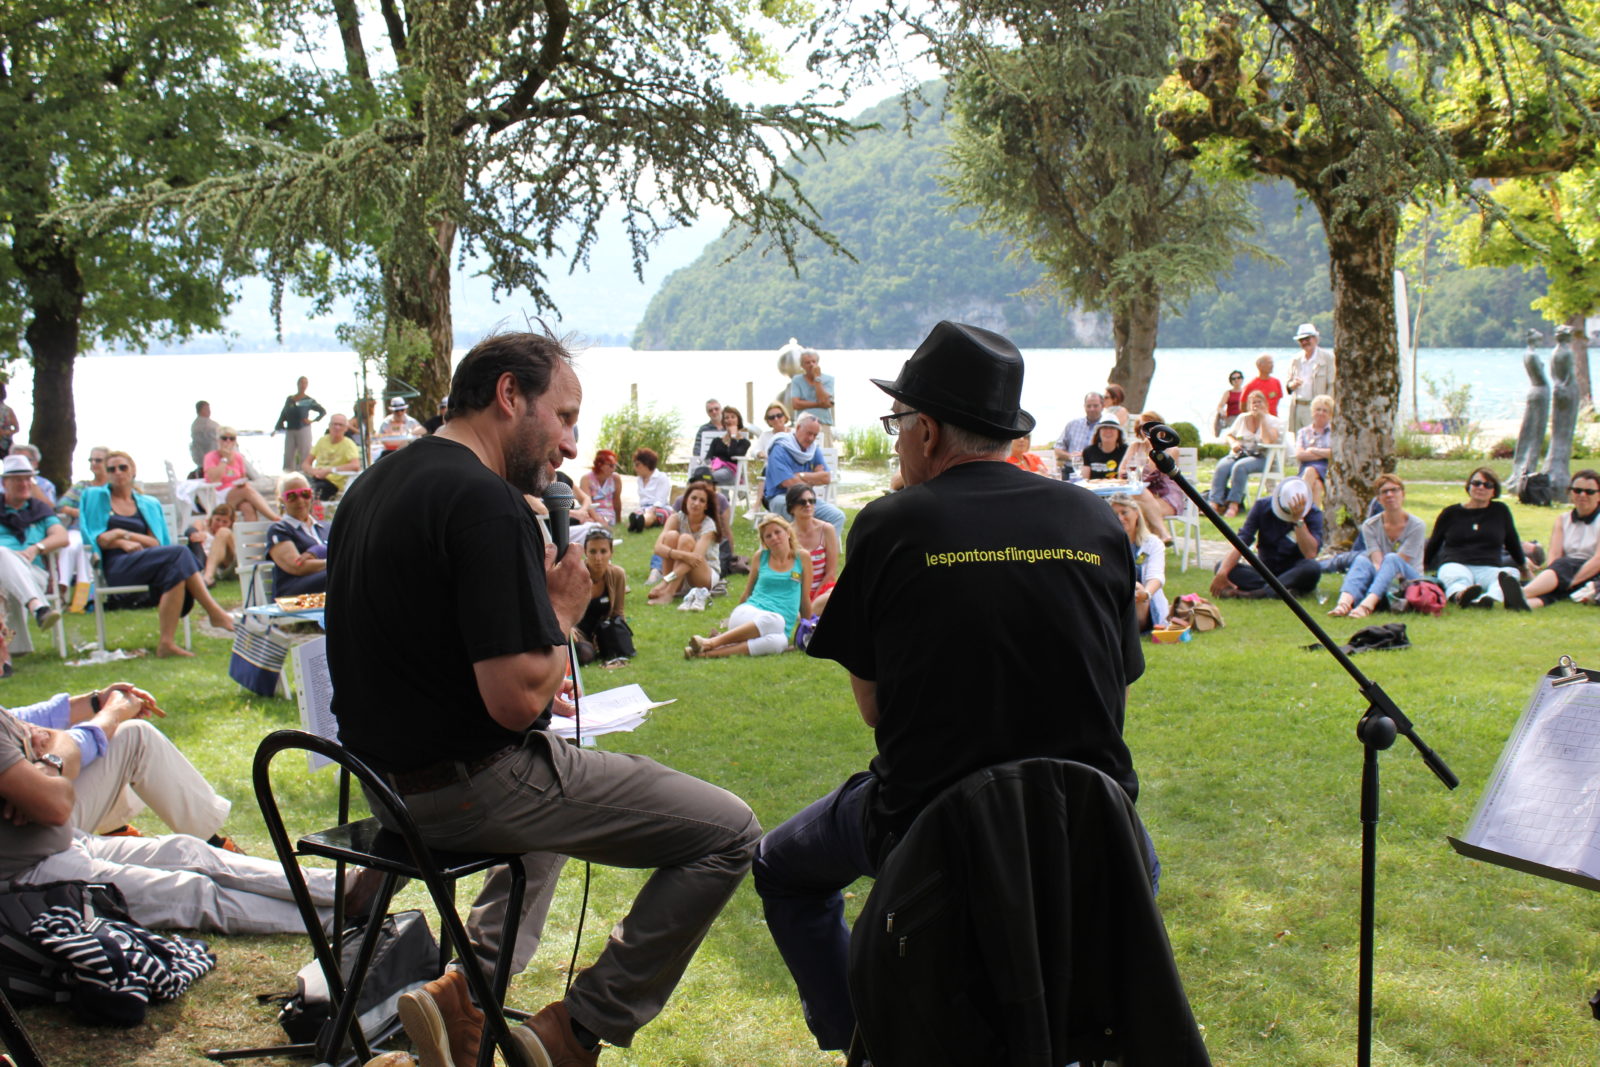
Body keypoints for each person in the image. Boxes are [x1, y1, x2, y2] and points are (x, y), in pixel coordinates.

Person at [325, 330, 760, 1067]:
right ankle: (575, 1029)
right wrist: (561, 612)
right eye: (561, 416)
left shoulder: (372, 486)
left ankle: (466, 994)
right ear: (507, 396)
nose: (568, 441)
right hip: (471, 788)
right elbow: (515, 702)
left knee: (560, 793)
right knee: (732, 831)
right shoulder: (484, 502)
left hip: (385, 787)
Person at [753, 322, 1149, 1054]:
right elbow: (1115, 686)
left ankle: (862, 1035)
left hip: (932, 826)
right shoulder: (1094, 518)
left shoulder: (891, 523)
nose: (897, 440)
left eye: (897, 424)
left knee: (781, 865)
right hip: (1096, 832)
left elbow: (876, 708)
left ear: (927, 430)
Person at [0, 682, 351, 934]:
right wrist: (49, 769)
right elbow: (57, 803)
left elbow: (49, 733)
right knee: (191, 892)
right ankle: (339, 920)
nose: (6, 644)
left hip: (62, 841)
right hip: (26, 875)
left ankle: (344, 889)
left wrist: (47, 762)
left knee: (190, 851)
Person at [79, 451, 235, 658]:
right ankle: (215, 613)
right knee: (179, 553)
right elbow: (98, 537)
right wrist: (120, 542)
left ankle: (166, 644)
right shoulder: (96, 497)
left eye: (122, 467)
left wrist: (123, 533)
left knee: (176, 570)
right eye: (111, 469)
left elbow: (155, 542)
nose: (117, 472)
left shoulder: (148, 503)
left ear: (133, 470)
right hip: (117, 566)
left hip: (146, 562)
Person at [685, 513, 812, 659]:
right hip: (750, 613)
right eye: (768, 536)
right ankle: (712, 642)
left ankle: (704, 654)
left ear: (788, 532)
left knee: (780, 643)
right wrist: (731, 618)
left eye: (778, 532)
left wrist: (806, 629)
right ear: (764, 541)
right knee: (776, 620)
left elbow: (804, 598)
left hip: (779, 628)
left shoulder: (802, 557)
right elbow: (747, 592)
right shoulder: (761, 557)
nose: (774, 538)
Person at [1327, 474, 1426, 618]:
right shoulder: (1370, 525)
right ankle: (1343, 604)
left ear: (1403, 494)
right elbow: (1377, 562)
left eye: (1394, 490)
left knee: (1392, 559)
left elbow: (1401, 564)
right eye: (1384, 492)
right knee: (1361, 559)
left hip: (1409, 581)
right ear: (1378, 499)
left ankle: (1366, 606)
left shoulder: (1417, 525)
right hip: (1383, 578)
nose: (1390, 494)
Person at [1424, 467, 1526, 608]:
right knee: (1458, 580)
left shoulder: (1500, 511)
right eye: (1476, 483)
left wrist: (1523, 566)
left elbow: (1512, 541)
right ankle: (1461, 596)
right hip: (1456, 563)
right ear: (1469, 486)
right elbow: (1434, 542)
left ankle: (1486, 599)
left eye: (1487, 485)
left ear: (1494, 491)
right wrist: (1422, 565)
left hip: (1488, 567)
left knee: (1510, 574)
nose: (1481, 488)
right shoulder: (1451, 513)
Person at [1501, 468, 1600, 610]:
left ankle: (1522, 594)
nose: (1582, 495)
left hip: (1591, 572)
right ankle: (1523, 604)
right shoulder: (1563, 520)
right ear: (1571, 493)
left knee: (1564, 567)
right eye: (1577, 490)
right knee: (1560, 571)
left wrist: (1571, 582)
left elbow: (1598, 560)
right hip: (1564, 570)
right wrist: (1556, 576)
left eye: (1589, 491)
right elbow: (1554, 555)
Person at [1210, 476, 1323, 597]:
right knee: (1223, 566)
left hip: (1294, 572)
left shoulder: (1314, 514)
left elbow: (1310, 553)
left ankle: (1257, 594)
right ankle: (1283, 591)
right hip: (1265, 571)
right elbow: (1242, 541)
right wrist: (1222, 572)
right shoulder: (1262, 506)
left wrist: (1298, 521)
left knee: (1312, 568)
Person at [0, 455, 67, 652]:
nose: (24, 483)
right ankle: (38, 608)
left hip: (32, 572)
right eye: (18, 479)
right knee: (2, 555)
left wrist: (36, 548)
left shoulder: (40, 510)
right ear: (5, 483)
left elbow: (61, 536)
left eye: (28, 479)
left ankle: (5, 657)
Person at [763, 413, 846, 536]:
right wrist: (814, 477)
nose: (811, 438)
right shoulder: (780, 448)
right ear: (797, 428)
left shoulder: (813, 449)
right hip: (780, 497)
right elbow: (788, 482)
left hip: (806, 498)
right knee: (800, 513)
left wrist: (801, 475)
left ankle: (822, 551)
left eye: (815, 435)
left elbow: (826, 477)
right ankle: (799, 553)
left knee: (837, 516)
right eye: (809, 433)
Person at [646, 480, 721, 609]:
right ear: (686, 500)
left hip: (703, 575)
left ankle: (669, 592)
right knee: (671, 536)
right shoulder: (676, 518)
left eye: (702, 501)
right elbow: (658, 548)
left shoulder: (709, 526)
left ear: (706, 506)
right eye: (693, 498)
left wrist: (665, 581)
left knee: (686, 539)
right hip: (680, 572)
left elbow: (695, 560)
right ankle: (672, 587)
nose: (696, 503)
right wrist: (680, 554)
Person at [1208, 390, 1282, 517]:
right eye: (1253, 403)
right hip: (1241, 453)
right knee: (1222, 466)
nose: (1256, 405)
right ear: (1248, 405)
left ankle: (1234, 504)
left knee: (1240, 467)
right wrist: (1234, 443)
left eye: (1259, 402)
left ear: (1266, 404)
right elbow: (1230, 435)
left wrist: (1262, 419)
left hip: (1262, 457)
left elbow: (1268, 440)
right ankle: (1214, 503)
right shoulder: (1242, 418)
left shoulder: (1273, 421)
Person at [54, 446, 108, 612]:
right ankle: (62, 591)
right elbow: (61, 505)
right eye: (91, 460)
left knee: (85, 550)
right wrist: (81, 513)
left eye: (98, 460)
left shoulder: (111, 487)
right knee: (70, 547)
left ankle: (81, 600)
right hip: (77, 529)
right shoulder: (82, 486)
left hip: (100, 532)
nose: (93, 463)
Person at [1123, 411, 1184, 544]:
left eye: (1150, 426)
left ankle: (1139, 552)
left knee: (1137, 508)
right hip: (1140, 495)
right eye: (1142, 427)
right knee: (1136, 505)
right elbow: (1121, 471)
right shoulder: (1135, 446)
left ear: (1159, 427)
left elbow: (1151, 472)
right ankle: (1161, 537)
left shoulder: (1171, 450)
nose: (1146, 431)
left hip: (1167, 496)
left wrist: (1151, 447)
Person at [574, 528, 631, 667]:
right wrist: (569, 630)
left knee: (620, 650)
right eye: (593, 551)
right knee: (584, 655)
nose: (598, 558)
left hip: (601, 631)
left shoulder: (617, 574)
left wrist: (620, 636)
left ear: (611, 552)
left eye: (603, 551)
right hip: (576, 631)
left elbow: (618, 612)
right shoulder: (574, 575)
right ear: (585, 553)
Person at [1109, 494, 1168, 631]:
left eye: (1124, 512)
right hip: (1115, 596)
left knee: (1136, 587)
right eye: (1114, 514)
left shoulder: (1152, 543)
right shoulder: (1104, 544)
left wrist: (1145, 594)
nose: (1120, 519)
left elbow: (1156, 577)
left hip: (1143, 600)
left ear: (1136, 513)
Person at [267, 474, 329, 598]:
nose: (300, 500)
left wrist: (318, 551)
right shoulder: (279, 530)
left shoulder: (326, 527)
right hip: (293, 592)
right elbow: (297, 567)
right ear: (282, 501)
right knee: (344, 572)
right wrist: (334, 562)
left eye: (305, 494)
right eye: (292, 496)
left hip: (325, 586)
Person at [203, 427, 280, 522]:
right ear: (218, 440)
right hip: (218, 494)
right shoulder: (211, 457)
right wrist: (224, 460)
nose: (228, 441)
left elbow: (242, 478)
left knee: (248, 507)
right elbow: (214, 479)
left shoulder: (238, 457)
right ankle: (275, 518)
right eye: (224, 438)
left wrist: (242, 484)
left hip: (236, 492)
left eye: (231, 439)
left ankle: (251, 535)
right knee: (247, 491)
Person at [786, 483, 840, 615]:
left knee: (831, 596)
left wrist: (814, 599)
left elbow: (831, 573)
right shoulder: (786, 533)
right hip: (796, 589)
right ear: (791, 508)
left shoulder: (826, 529)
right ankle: (808, 613)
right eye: (802, 502)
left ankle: (807, 613)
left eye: (812, 501)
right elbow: (785, 571)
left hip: (822, 589)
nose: (808, 505)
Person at [1285, 322, 1336, 436]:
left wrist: (1326, 409)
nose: (1304, 342)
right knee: (1298, 441)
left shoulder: (1328, 358)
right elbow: (1288, 384)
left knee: (1317, 439)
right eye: (1301, 340)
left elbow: (1332, 385)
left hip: (1317, 408)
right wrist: (1292, 385)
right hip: (1297, 407)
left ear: (1316, 339)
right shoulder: (1295, 360)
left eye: (1307, 339)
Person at [273, 376, 327, 472]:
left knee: (304, 453)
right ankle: (288, 473)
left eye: (305, 383)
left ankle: (304, 473)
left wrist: (313, 420)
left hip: (303, 428)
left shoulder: (308, 400)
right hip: (290, 429)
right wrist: (278, 426)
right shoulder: (290, 399)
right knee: (289, 454)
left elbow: (322, 411)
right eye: (301, 382)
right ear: (297, 384)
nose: (303, 385)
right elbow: (284, 413)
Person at [303, 412, 361, 500]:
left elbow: (355, 465)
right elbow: (306, 463)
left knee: (313, 491)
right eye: (334, 424)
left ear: (345, 428)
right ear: (329, 426)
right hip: (316, 477)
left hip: (333, 482)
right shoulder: (322, 440)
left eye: (340, 425)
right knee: (297, 486)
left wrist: (330, 470)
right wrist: (313, 471)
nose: (337, 427)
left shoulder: (349, 444)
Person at [786, 349, 836, 447]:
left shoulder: (829, 379)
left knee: (825, 454)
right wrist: (819, 404)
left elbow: (823, 400)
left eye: (814, 361)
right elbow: (796, 404)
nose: (811, 365)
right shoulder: (797, 380)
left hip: (823, 423)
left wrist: (817, 378)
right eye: (807, 362)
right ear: (802, 366)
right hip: (803, 425)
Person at [1294, 394, 1335, 507]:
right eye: (1318, 409)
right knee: (1316, 486)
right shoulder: (1304, 432)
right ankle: (1313, 520)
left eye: (1325, 411)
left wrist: (1313, 450)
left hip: (1326, 468)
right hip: (1305, 468)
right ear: (1312, 412)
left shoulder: (1334, 432)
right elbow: (1299, 454)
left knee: (1310, 470)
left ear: (1330, 414)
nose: (1321, 413)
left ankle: (1298, 504)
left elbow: (1334, 454)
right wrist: (1323, 453)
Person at [1052, 391, 1104, 479]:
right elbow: (1057, 449)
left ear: (1102, 406)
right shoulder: (1072, 425)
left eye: (1095, 406)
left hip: (1096, 471)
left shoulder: (1107, 428)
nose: (1092, 409)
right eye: (1088, 406)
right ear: (1084, 407)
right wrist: (1071, 456)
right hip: (1071, 470)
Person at [185, 502, 238, 588]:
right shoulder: (202, 525)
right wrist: (199, 534)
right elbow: (194, 532)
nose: (220, 524)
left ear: (231, 524)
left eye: (225, 522)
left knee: (223, 531)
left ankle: (207, 577)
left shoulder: (230, 533)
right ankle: (206, 576)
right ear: (212, 518)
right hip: (204, 560)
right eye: (217, 520)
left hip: (227, 563)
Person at [627, 448, 674, 533]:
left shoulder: (661, 477)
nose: (635, 468)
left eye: (637, 465)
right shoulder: (640, 480)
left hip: (660, 507)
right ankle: (637, 522)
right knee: (638, 513)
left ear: (646, 464)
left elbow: (661, 500)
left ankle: (640, 523)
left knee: (652, 515)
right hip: (644, 507)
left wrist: (652, 509)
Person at [706, 406, 751, 485]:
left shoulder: (744, 442)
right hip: (715, 469)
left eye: (733, 417)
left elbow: (732, 455)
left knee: (707, 477)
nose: (729, 420)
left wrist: (733, 436)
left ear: (738, 420)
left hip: (731, 472)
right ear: (723, 421)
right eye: (726, 418)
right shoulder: (717, 440)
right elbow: (708, 457)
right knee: (698, 476)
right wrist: (710, 466)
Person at [579, 449, 623, 526]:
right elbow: (587, 503)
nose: (614, 468)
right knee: (587, 523)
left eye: (615, 465)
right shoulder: (586, 479)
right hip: (591, 514)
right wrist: (597, 519)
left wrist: (618, 522)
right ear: (600, 464)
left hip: (609, 514)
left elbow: (617, 501)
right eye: (611, 465)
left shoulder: (615, 478)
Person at [1079, 415, 1129, 481]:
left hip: (1119, 490)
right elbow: (1084, 480)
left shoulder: (1126, 450)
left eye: (1112, 428)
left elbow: (1128, 477)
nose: (1108, 431)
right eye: (1104, 427)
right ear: (1098, 432)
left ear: (1118, 433)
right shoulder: (1088, 451)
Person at [1214, 370, 1245, 437]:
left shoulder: (1246, 392)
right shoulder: (1228, 393)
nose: (1236, 380)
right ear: (1231, 381)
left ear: (1242, 379)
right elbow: (1219, 406)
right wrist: (1222, 412)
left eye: (1238, 378)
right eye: (1234, 378)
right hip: (1232, 418)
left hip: (1244, 418)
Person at [189, 400, 219, 471]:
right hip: (206, 455)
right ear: (200, 410)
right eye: (206, 409)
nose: (209, 411)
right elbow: (218, 434)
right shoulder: (201, 425)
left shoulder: (206, 423)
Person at [690, 398, 722, 463]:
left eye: (716, 409)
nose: (714, 412)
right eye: (710, 410)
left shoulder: (730, 427)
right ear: (707, 413)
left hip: (727, 464)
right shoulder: (703, 429)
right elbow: (696, 450)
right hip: (708, 463)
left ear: (721, 410)